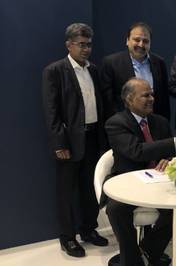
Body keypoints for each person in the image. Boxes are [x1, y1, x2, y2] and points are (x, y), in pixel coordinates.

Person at [105, 78, 176, 266]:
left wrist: (170, 159)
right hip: (129, 182)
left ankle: (147, 252)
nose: (152, 99)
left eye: (152, 94)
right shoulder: (116, 123)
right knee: (115, 210)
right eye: (145, 95)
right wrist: (173, 143)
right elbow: (136, 151)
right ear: (129, 99)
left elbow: (174, 153)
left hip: (161, 181)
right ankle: (132, 260)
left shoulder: (160, 122)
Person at [42, 23, 108, 258]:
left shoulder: (94, 71)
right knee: (66, 191)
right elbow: (51, 112)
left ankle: (88, 230)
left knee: (90, 189)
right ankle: (67, 238)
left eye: (89, 44)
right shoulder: (55, 71)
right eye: (82, 44)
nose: (86, 49)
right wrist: (59, 143)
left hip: (93, 137)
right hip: (69, 141)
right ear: (68, 44)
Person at [101, 22, 170, 120]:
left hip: (154, 125)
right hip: (124, 125)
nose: (141, 44)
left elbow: (164, 100)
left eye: (145, 41)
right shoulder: (111, 63)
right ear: (127, 41)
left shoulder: (159, 63)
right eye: (137, 40)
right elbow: (108, 101)